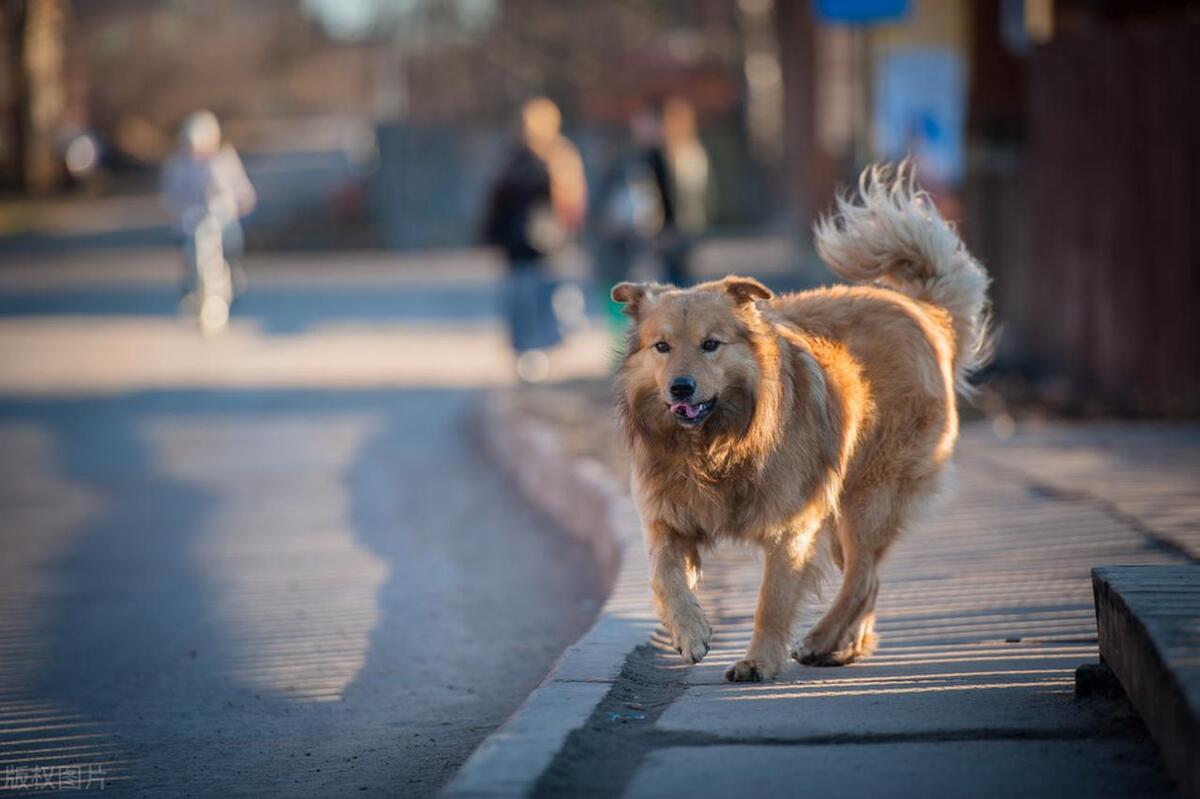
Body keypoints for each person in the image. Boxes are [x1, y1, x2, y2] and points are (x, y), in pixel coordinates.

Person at [482, 97, 587, 383]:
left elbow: (572, 202)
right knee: (520, 303)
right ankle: (528, 356)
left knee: (550, 303)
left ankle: (544, 352)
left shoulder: (560, 158)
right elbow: (497, 202)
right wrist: (494, 235)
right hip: (517, 248)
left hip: (550, 248)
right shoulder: (511, 160)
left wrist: (565, 230)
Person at [161, 110, 256, 302]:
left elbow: (241, 187)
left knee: (231, 242)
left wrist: (243, 201)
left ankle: (233, 276)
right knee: (190, 251)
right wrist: (179, 210)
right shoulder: (178, 165)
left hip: (223, 217)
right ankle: (190, 287)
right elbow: (172, 194)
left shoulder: (224, 159)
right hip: (192, 221)